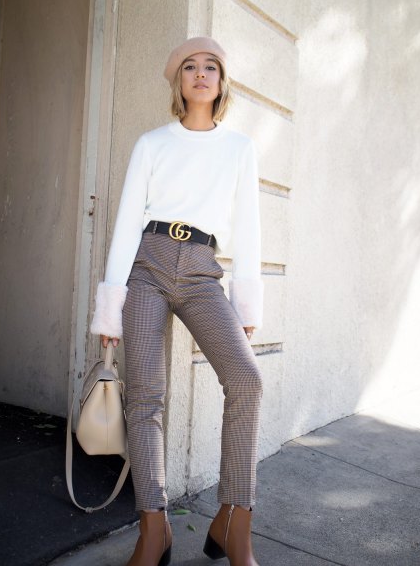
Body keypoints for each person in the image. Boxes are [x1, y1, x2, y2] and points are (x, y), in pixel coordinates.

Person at [90, 37, 263, 566]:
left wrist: (247, 306)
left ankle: (234, 522)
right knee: (146, 396)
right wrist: (110, 306)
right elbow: (124, 226)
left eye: (211, 66)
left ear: (221, 81)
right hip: (148, 264)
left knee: (247, 380)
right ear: (179, 81)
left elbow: (250, 231)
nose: (201, 74)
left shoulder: (238, 148)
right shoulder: (152, 143)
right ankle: (154, 526)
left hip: (203, 271)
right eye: (190, 66)